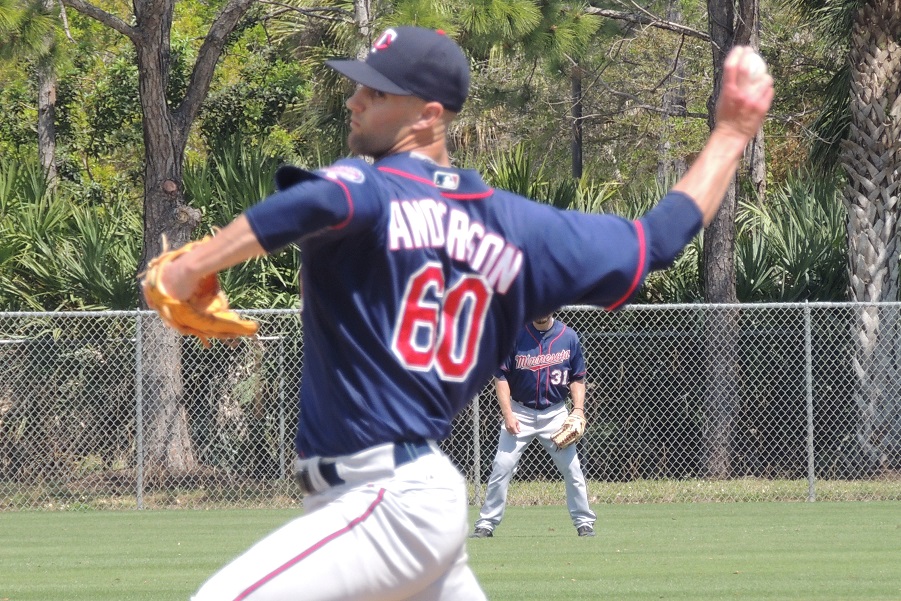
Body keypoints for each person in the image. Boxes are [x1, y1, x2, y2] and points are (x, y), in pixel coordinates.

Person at [145, 24, 773, 601]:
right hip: (411, 500)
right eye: (360, 86)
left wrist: (191, 266)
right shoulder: (523, 231)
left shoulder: (369, 187)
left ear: (429, 115)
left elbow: (318, 201)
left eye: (376, 91)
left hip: (384, 502)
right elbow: (655, 241)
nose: (355, 100)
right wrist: (731, 134)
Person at [471, 313, 596, 538]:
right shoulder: (515, 336)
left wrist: (578, 409)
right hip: (520, 412)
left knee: (573, 469)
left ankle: (584, 522)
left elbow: (577, 377)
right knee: (502, 466)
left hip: (555, 414)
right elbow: (501, 378)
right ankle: (486, 524)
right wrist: (508, 414)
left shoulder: (568, 337)